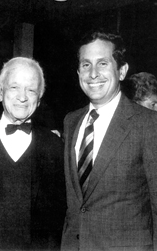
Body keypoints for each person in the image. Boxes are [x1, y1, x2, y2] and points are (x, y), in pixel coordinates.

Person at [61, 30, 157, 251]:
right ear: (78, 72)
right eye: (86, 65)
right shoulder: (71, 121)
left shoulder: (148, 124)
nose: (93, 73)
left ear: (122, 71)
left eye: (103, 63)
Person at [0, 57, 66, 250]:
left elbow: (58, 219)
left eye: (31, 90)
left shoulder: (54, 147)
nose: (23, 97)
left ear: (40, 98)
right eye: (14, 87)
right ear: (0, 91)